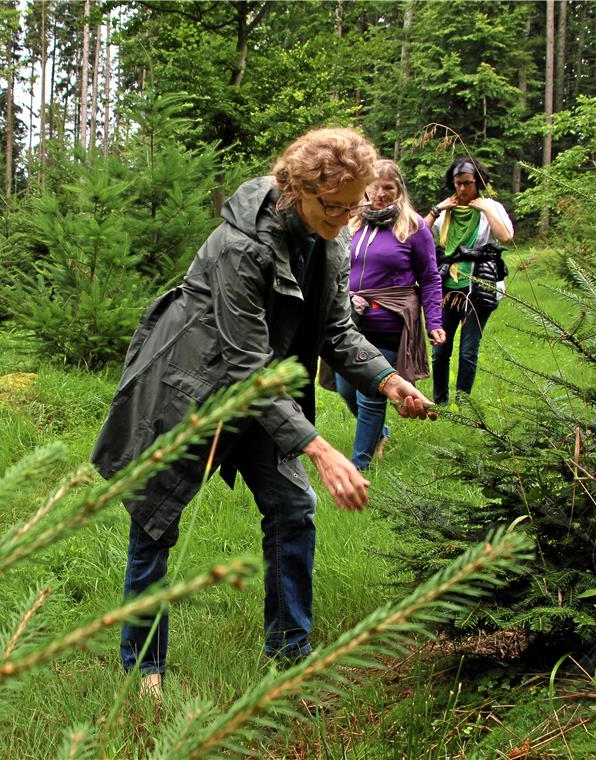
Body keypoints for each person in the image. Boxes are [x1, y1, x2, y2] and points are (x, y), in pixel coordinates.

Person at [91, 128, 435, 693]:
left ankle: (290, 650)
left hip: (261, 395)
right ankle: (143, 668)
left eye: (356, 205)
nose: (347, 218)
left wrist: (389, 379)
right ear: (296, 188)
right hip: (190, 390)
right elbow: (245, 363)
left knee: (292, 505)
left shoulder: (329, 238)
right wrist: (321, 449)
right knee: (154, 520)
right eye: (335, 205)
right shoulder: (239, 247)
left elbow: (335, 330)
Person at [334, 159, 445, 470]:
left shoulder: (414, 227)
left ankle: (360, 467)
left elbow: (431, 276)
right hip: (352, 322)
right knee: (346, 388)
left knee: (371, 391)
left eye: (388, 188)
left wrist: (434, 321)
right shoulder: (353, 221)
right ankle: (379, 433)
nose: (380, 194)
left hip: (391, 324)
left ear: (399, 191)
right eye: (374, 187)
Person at [424, 156, 514, 406]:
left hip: (479, 289)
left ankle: (464, 405)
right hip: (447, 289)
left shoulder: (491, 208)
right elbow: (417, 236)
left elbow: (505, 236)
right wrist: (437, 209)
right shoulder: (446, 214)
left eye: (467, 183)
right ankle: (440, 403)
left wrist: (484, 207)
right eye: (457, 183)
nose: (462, 189)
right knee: (440, 350)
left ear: (478, 182)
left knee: (468, 350)